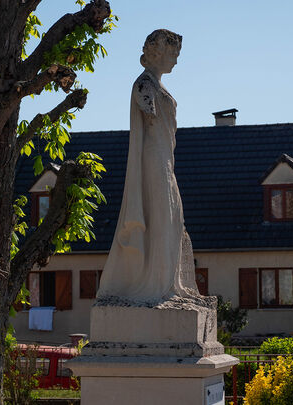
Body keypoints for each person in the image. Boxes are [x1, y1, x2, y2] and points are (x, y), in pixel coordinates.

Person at [97, 29, 200, 303]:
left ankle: (170, 284)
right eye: (173, 54)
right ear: (159, 52)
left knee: (172, 221)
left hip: (166, 160)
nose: (176, 61)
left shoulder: (157, 85)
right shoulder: (144, 85)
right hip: (154, 159)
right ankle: (157, 287)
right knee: (161, 220)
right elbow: (150, 123)